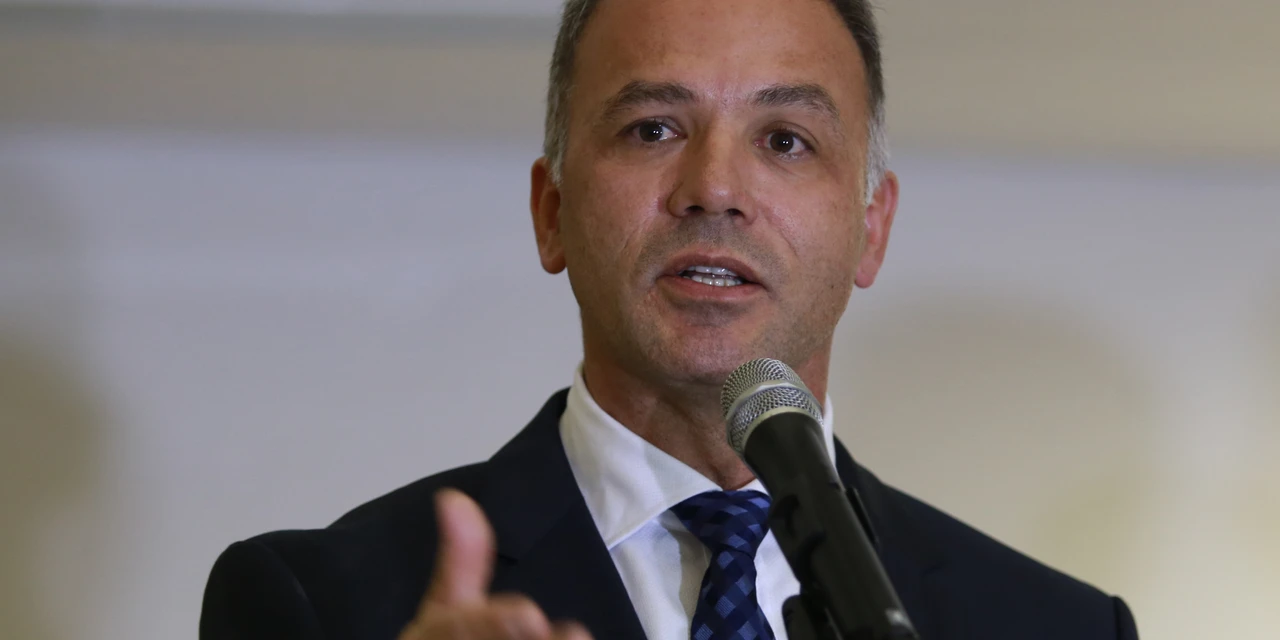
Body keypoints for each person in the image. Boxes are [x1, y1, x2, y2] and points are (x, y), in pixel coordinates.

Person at [200, 0, 1141, 638]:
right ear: (551, 211)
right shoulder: (321, 604)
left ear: (872, 228)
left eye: (786, 140)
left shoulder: (1053, 626)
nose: (714, 188)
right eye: (652, 128)